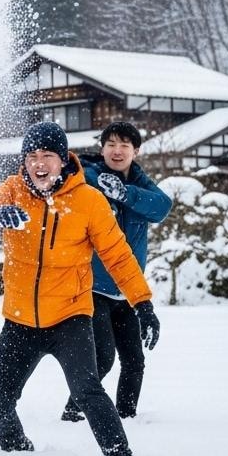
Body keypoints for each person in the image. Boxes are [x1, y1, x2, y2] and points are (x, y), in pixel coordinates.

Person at [0, 121, 161, 456]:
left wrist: (142, 303)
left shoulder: (88, 200)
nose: (39, 164)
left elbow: (118, 256)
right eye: (32, 156)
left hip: (70, 317)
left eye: (48, 156)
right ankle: (17, 454)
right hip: (20, 320)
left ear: (63, 159)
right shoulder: (12, 191)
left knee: (88, 390)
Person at [62, 121, 171, 422]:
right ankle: (73, 413)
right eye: (111, 144)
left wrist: (125, 194)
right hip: (94, 287)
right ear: (102, 148)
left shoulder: (139, 185)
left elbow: (162, 207)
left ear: (136, 151)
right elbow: (79, 179)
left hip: (127, 291)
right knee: (103, 359)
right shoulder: (90, 178)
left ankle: (126, 417)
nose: (117, 150)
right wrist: (105, 188)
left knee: (135, 361)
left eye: (125, 145)